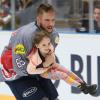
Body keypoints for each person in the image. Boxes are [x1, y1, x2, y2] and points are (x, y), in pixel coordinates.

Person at [0, 4, 97, 100]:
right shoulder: (25, 36)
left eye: (53, 20)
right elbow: (18, 68)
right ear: (38, 20)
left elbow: (49, 59)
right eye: (47, 20)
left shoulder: (54, 35)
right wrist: (44, 69)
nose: (50, 24)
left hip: (36, 69)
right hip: (15, 75)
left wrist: (48, 66)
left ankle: (83, 86)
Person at [26, 30, 97, 95]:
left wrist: (50, 61)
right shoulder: (35, 58)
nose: (47, 46)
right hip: (44, 73)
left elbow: (52, 58)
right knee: (63, 75)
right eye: (44, 45)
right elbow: (30, 71)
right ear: (37, 45)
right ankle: (81, 87)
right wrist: (44, 68)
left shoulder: (50, 47)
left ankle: (85, 86)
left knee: (68, 72)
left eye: (48, 43)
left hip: (52, 65)